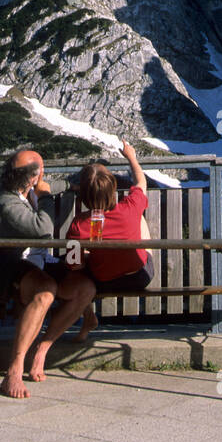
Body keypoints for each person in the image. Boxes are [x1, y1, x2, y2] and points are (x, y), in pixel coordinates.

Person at [0, 148, 96, 398]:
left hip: (40, 262)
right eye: (40, 172)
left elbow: (56, 184)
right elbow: (41, 229)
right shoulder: (5, 199)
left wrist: (76, 183)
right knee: (46, 291)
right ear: (32, 176)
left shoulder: (26, 189)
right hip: (8, 266)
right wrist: (45, 197)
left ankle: (43, 348)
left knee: (85, 287)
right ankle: (14, 368)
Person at [66, 141, 153, 341]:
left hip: (102, 282)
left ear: (83, 195)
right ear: (113, 188)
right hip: (140, 275)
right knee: (138, 217)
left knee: (81, 270)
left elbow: (73, 265)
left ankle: (88, 317)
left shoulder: (79, 225)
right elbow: (141, 183)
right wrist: (131, 156)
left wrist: (88, 255)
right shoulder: (130, 206)